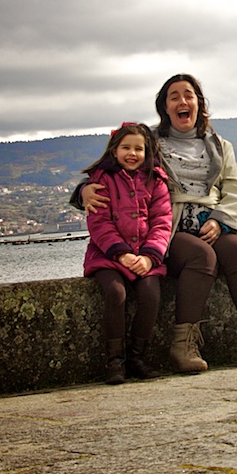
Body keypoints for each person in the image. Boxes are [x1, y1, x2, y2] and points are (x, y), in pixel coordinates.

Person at [77, 73, 237, 372]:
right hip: (166, 228)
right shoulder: (150, 143)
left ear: (199, 103)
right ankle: (183, 344)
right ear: (165, 107)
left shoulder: (220, 146)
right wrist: (81, 190)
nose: (183, 101)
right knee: (202, 256)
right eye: (175, 96)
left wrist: (220, 220)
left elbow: (235, 189)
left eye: (189, 95)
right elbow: (115, 167)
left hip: (210, 220)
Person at [82, 122, 172, 385]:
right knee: (115, 293)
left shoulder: (156, 181)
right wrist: (120, 254)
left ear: (147, 152)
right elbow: (99, 223)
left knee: (150, 293)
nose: (132, 154)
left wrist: (148, 256)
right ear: (114, 150)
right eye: (126, 148)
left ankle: (137, 357)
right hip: (107, 256)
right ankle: (115, 361)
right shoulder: (100, 180)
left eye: (138, 148)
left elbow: (162, 222)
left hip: (145, 257)